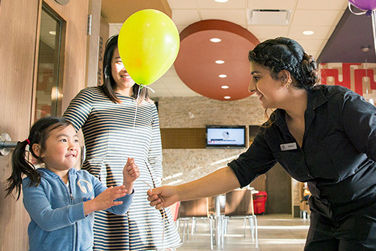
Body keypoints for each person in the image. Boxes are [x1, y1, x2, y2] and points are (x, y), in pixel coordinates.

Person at [148, 37, 376, 250]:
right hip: (325, 214)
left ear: (285, 77)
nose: (250, 87)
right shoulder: (275, 130)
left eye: (257, 77)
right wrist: (178, 192)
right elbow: (237, 172)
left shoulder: (341, 105)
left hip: (366, 209)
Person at [63, 35, 180, 250]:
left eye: (133, 61)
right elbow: (60, 134)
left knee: (143, 244)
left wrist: (158, 193)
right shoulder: (89, 97)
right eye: (119, 60)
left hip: (142, 188)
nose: (126, 68)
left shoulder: (148, 106)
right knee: (103, 244)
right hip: (100, 184)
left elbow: (154, 157)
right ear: (108, 63)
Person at [5, 116, 139, 251]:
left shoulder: (87, 178)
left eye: (75, 139)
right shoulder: (34, 182)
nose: (72, 146)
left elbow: (119, 208)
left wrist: (128, 183)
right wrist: (92, 205)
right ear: (38, 150)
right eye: (63, 140)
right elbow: (46, 219)